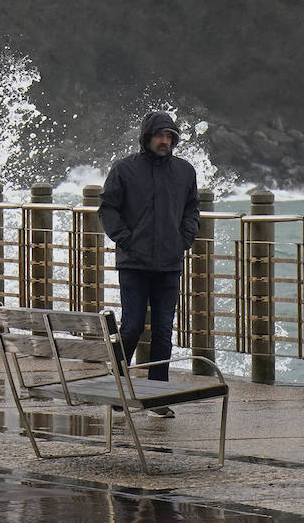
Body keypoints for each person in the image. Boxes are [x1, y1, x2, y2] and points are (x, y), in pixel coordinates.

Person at [98, 111, 199, 418]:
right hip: (134, 264)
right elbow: (108, 208)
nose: (164, 141)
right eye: (159, 136)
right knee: (130, 327)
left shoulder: (184, 171)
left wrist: (185, 238)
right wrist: (125, 239)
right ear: (147, 137)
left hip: (169, 263)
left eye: (169, 136)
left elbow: (192, 208)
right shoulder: (125, 169)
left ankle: (157, 396)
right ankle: (118, 388)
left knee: (163, 332)